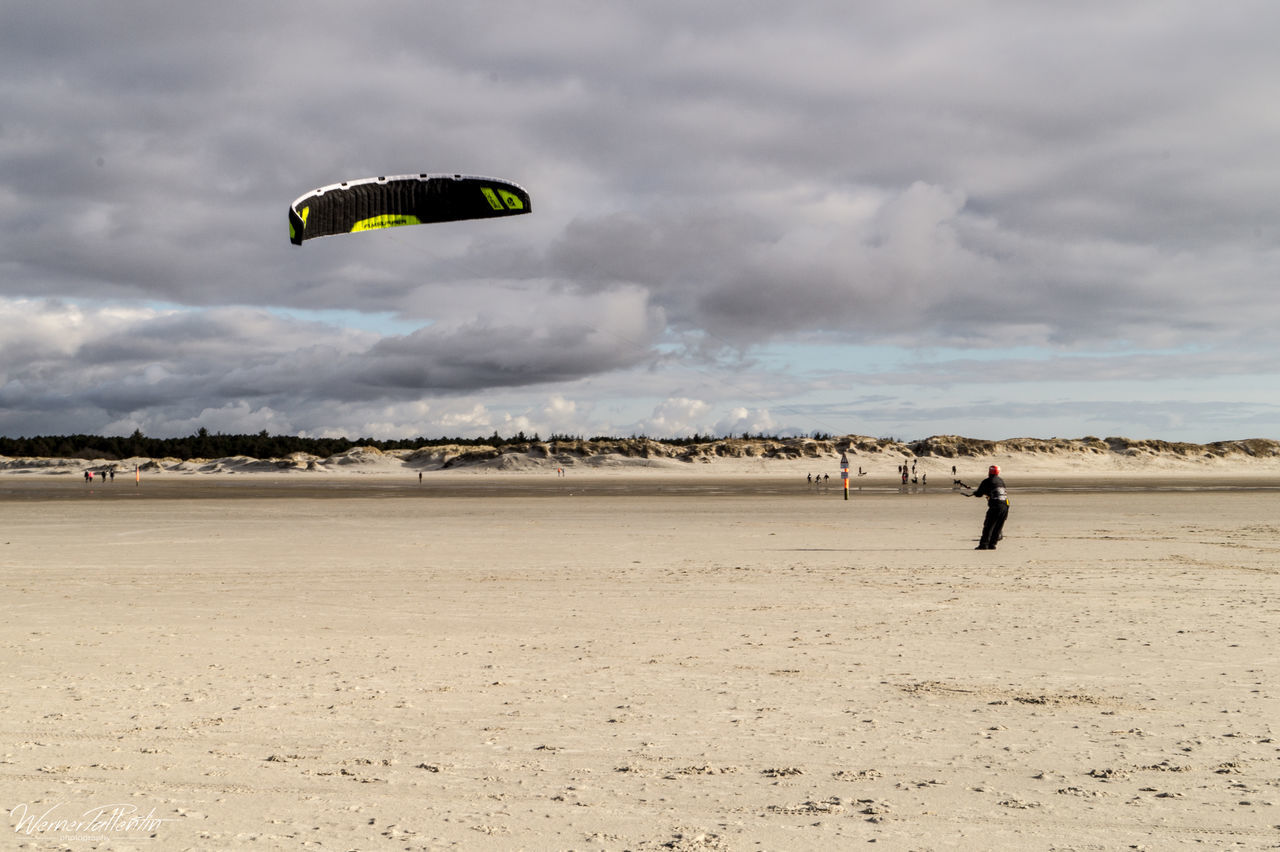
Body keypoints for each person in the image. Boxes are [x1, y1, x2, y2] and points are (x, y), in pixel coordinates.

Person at [968, 464, 1009, 550]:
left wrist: (976, 493)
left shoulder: (986, 481)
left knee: (989, 525)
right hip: (1006, 505)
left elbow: (979, 493)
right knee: (998, 526)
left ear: (989, 472)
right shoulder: (1001, 481)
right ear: (998, 472)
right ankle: (992, 544)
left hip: (996, 505)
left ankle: (984, 544)